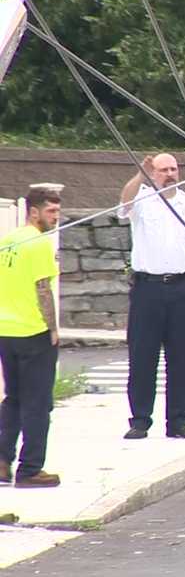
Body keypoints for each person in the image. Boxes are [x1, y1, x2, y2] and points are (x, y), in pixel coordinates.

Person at [117, 154, 185, 440]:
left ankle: (178, 421)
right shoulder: (142, 200)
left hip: (181, 287)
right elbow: (123, 204)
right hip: (147, 288)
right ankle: (140, 420)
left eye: (173, 169)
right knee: (142, 355)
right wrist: (140, 175)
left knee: (183, 357)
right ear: (153, 172)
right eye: (163, 170)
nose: (170, 174)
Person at [0, 187, 63, 488]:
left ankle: (2, 461)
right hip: (32, 330)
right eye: (50, 211)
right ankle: (30, 468)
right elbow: (43, 289)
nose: (56, 217)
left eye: (57, 212)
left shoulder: (9, 240)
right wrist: (52, 328)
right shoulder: (39, 243)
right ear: (34, 211)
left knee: (13, 398)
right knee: (38, 403)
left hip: (6, 330)